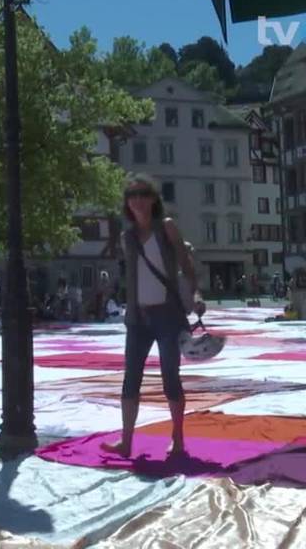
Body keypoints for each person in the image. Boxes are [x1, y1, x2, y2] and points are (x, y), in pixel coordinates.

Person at [102, 175, 199, 459]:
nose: (138, 200)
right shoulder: (127, 237)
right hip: (138, 318)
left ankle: (178, 439)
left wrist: (195, 295)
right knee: (131, 378)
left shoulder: (166, 228)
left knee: (170, 376)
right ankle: (126, 440)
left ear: (154, 199)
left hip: (169, 315)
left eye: (144, 194)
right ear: (127, 203)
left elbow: (186, 265)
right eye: (132, 195)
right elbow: (132, 278)